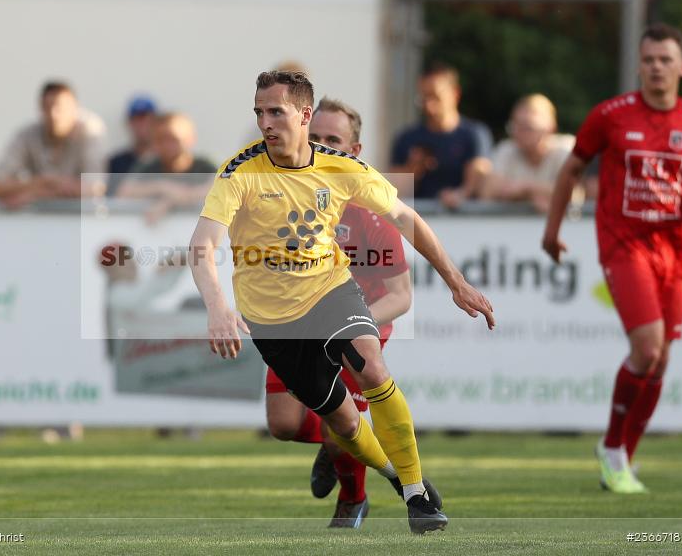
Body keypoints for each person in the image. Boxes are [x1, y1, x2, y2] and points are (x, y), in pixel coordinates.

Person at [189, 71, 495, 534]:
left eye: (276, 112)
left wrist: (456, 281)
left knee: (369, 366)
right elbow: (202, 246)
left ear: (304, 115)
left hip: (330, 291)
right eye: (259, 113)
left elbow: (407, 218)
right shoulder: (240, 172)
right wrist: (217, 306)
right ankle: (397, 478)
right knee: (343, 426)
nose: (265, 122)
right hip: (271, 320)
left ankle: (417, 497)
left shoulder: (341, 167)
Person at [542, 23, 682, 494]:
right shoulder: (610, 115)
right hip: (623, 243)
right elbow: (572, 168)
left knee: (662, 359)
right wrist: (553, 230)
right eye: (649, 59)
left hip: (674, 248)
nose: (656, 67)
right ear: (639, 65)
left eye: (665, 59)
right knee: (647, 347)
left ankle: (622, 458)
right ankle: (613, 448)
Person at [263, 97, 413, 528]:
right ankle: (333, 444)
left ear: (354, 151)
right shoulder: (283, 192)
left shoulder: (371, 207)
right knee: (283, 424)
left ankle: (353, 499)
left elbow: (401, 295)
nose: (323, 146)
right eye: (316, 138)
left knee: (339, 425)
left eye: (334, 140)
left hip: (355, 330)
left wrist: (350, 320)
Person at [389, 63, 493, 209]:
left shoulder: (474, 134)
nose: (429, 105)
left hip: (465, 224)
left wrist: (460, 195)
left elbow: (479, 178)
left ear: (455, 94)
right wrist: (412, 169)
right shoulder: (406, 138)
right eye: (424, 98)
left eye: (436, 97)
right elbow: (391, 193)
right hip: (416, 222)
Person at [0, 81, 107, 209]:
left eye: (60, 108)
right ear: (40, 109)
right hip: (43, 222)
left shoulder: (90, 131)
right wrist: (45, 183)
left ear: (75, 108)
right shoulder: (27, 135)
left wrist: (35, 192)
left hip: (81, 220)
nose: (53, 115)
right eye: (47, 107)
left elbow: (95, 188)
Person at [116, 112, 217, 223]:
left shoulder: (204, 167)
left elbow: (220, 188)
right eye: (161, 139)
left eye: (173, 139)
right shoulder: (149, 166)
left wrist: (170, 201)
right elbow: (124, 192)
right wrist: (162, 187)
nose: (167, 145)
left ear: (190, 138)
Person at [483, 94, 575, 212]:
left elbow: (573, 192)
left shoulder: (565, 149)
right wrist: (535, 194)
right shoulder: (507, 149)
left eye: (529, 127)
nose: (520, 133)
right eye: (516, 126)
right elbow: (488, 191)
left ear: (550, 128)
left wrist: (525, 188)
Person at [106, 96, 158, 196]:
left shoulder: (166, 160)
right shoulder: (116, 162)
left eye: (148, 119)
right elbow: (112, 195)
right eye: (137, 119)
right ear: (129, 123)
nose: (143, 124)